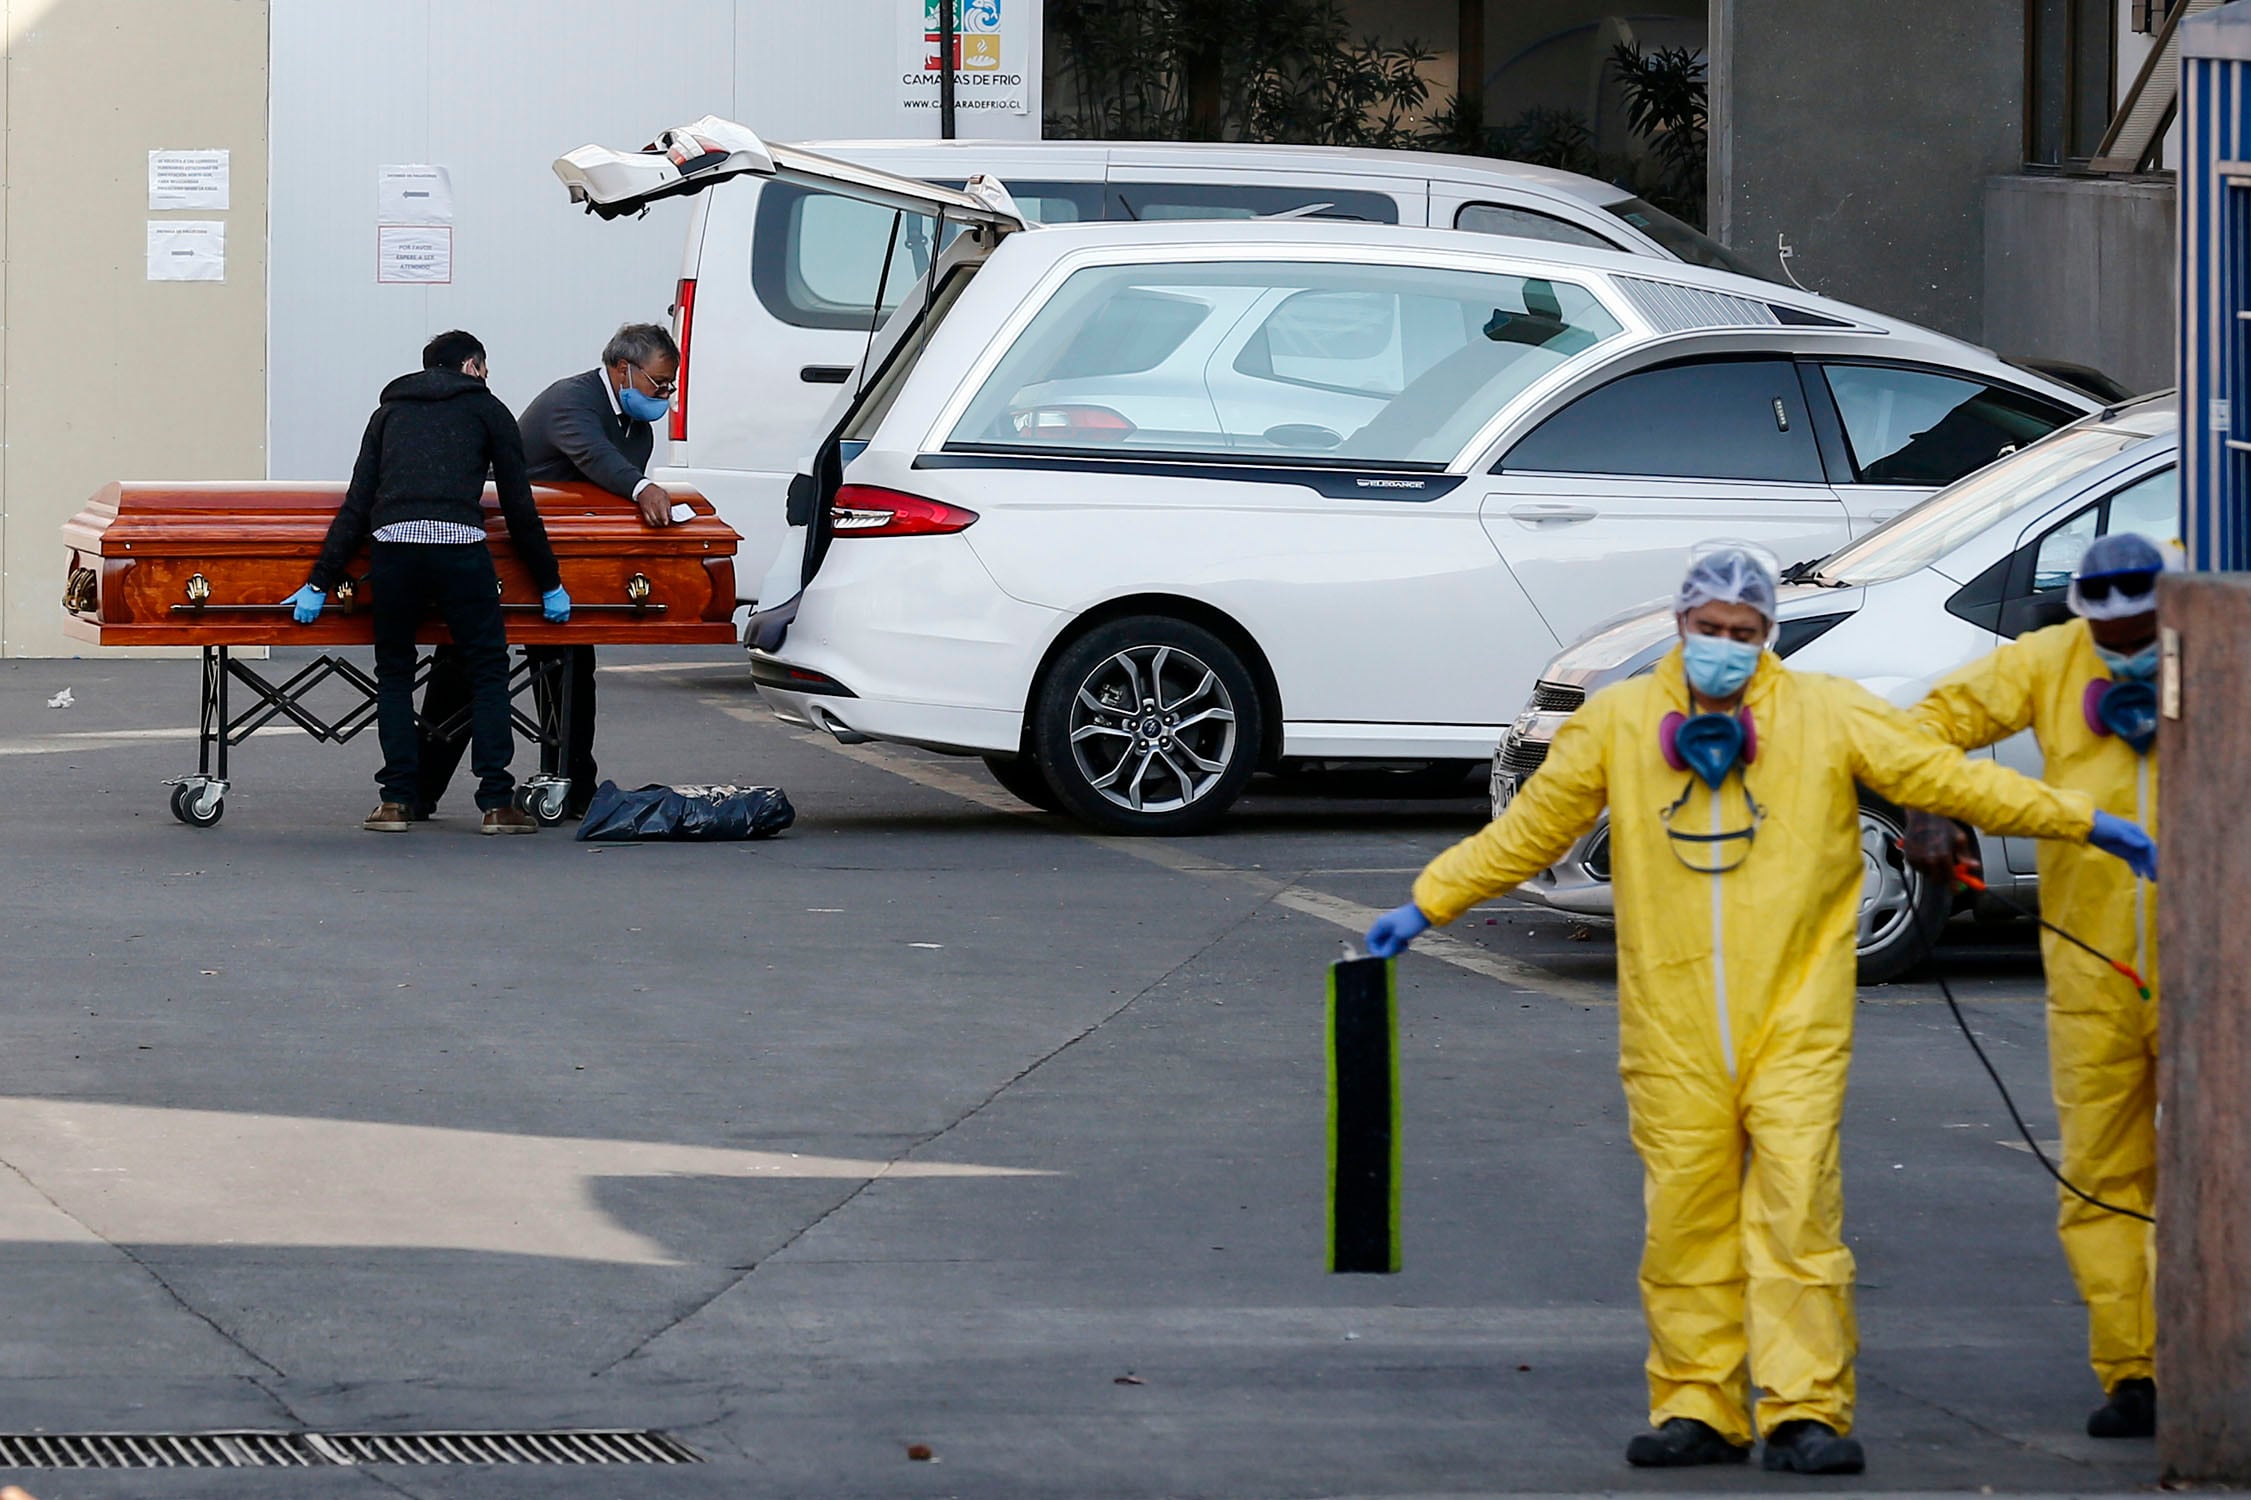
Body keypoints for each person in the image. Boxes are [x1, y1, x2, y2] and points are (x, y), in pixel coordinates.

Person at [1361, 546, 2157, 1475]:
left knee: (1797, 1213)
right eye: (1710, 632)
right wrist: (1425, 903)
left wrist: (2085, 821)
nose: (1725, 650)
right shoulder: (1618, 725)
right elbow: (1527, 835)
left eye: (1744, 636)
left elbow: (1952, 782)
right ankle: (1695, 1406)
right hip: (1673, 1027)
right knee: (1685, 1217)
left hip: (1796, 1020)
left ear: (1768, 636)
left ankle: (1805, 1409)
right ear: (1680, 626)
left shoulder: (1825, 717)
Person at [1901, 531, 2166, 1440]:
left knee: (2220, 1170)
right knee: (2100, 1171)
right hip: (2091, 967)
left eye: (2146, 629)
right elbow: (1927, 726)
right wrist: (1927, 808)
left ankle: (2213, 1348)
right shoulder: (2048, 663)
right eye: (2110, 633)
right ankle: (2135, 1367)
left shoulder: (2224, 653)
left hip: (2215, 968)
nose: (2126, 645)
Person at [285, 330, 571, 834]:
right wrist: (549, 581)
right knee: (487, 672)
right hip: (460, 547)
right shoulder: (488, 410)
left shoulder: (388, 414)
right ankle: (496, 803)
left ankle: (396, 801)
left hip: (393, 549)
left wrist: (319, 580)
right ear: (472, 367)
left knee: (394, 674)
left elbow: (358, 503)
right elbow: (518, 506)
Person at [415, 323, 680, 818]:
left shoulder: (634, 424)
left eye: (669, 386)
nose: (663, 395)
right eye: (658, 383)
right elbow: (595, 460)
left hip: (560, 558)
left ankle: (574, 783)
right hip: (501, 548)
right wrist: (643, 487)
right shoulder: (572, 402)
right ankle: (417, 790)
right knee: (463, 667)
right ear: (624, 369)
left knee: (573, 668)